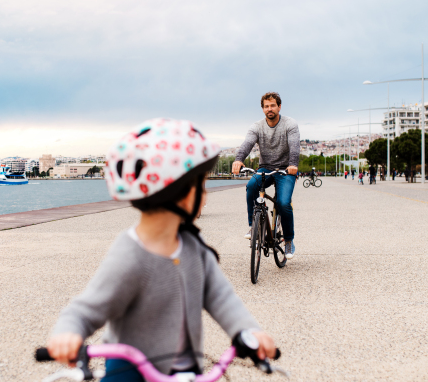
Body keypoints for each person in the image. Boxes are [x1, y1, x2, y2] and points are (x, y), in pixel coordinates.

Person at [46, 119, 278, 381]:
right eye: (200, 186)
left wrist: (247, 330)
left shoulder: (194, 247)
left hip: (185, 370)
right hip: (131, 372)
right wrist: (68, 333)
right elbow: (86, 308)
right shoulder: (130, 254)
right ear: (177, 193)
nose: (205, 195)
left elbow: (221, 297)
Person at [232, 92, 299, 259]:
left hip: (285, 170)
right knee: (251, 187)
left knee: (283, 203)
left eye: (273, 105)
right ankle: (252, 226)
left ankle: (289, 240)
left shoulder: (290, 124)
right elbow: (247, 143)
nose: (270, 109)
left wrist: (293, 164)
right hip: (265, 168)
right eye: (266, 106)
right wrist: (239, 160)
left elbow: (294, 146)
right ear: (263, 109)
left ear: (279, 107)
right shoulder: (257, 126)